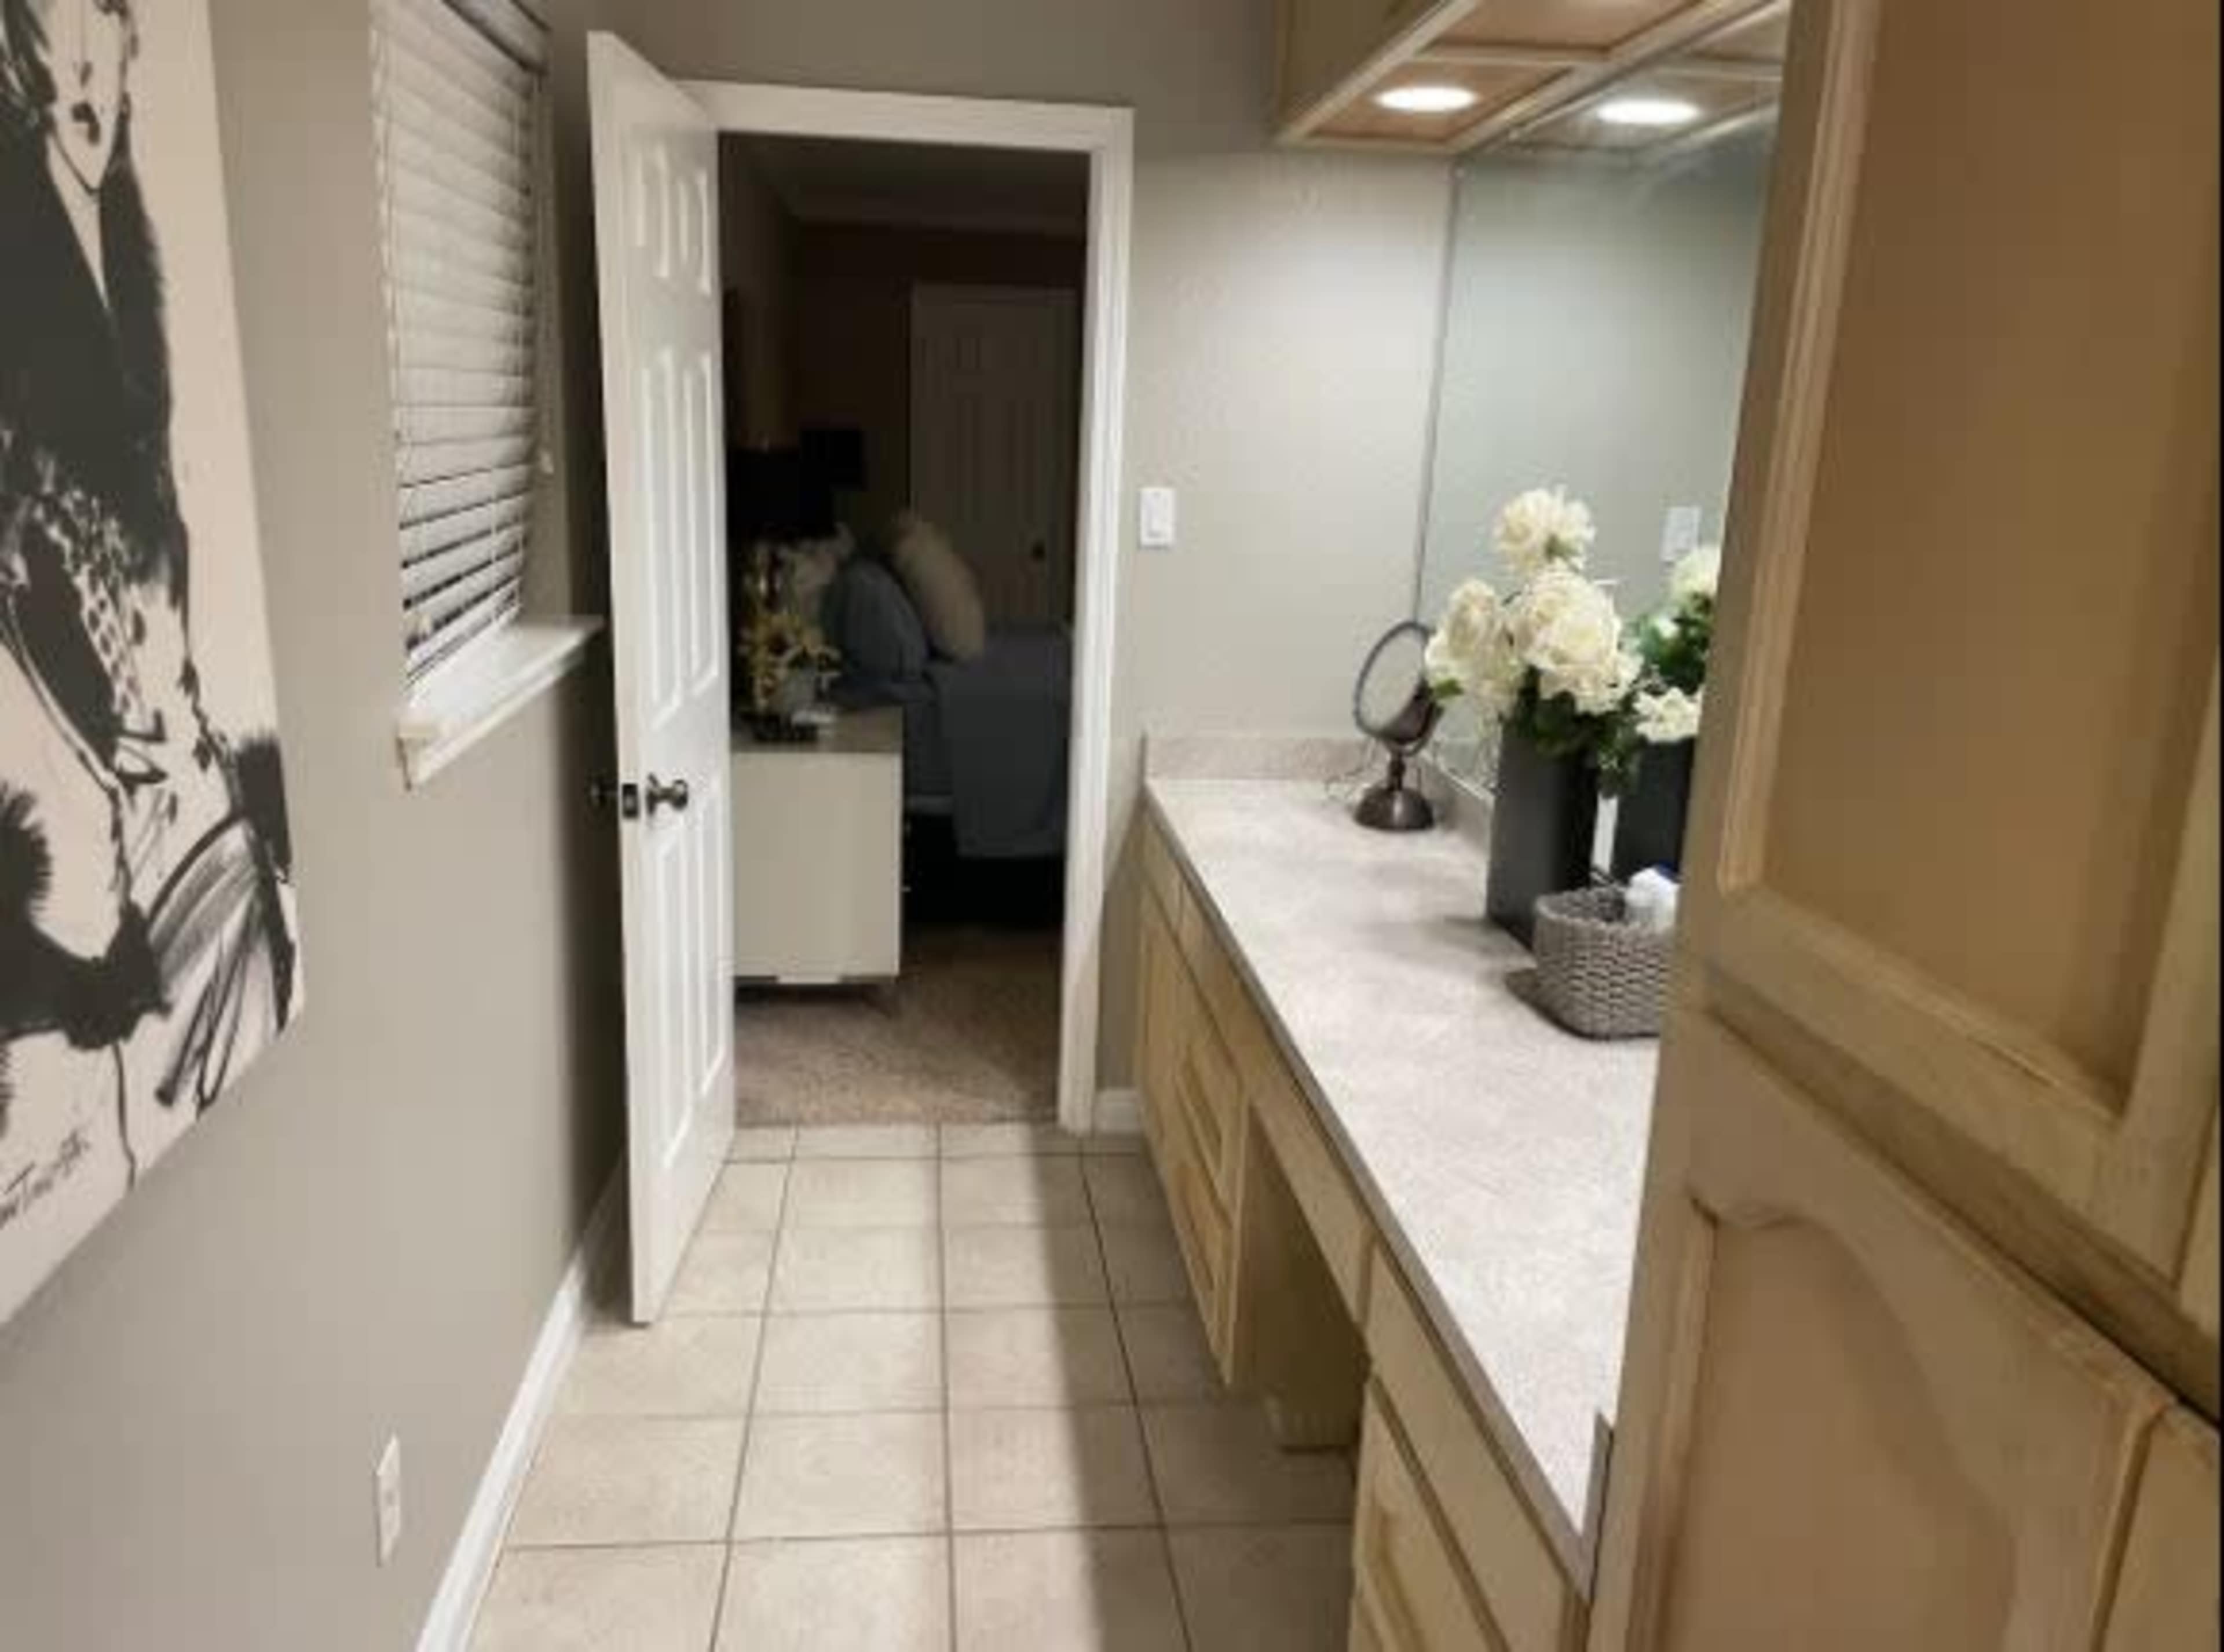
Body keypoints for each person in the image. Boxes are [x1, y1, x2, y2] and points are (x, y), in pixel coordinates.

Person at [0, 0, 298, 1262]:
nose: (77, 68)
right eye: (45, 37)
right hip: (137, 828)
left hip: (193, 802)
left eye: (97, 29)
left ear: (128, 40)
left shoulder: (131, 259)